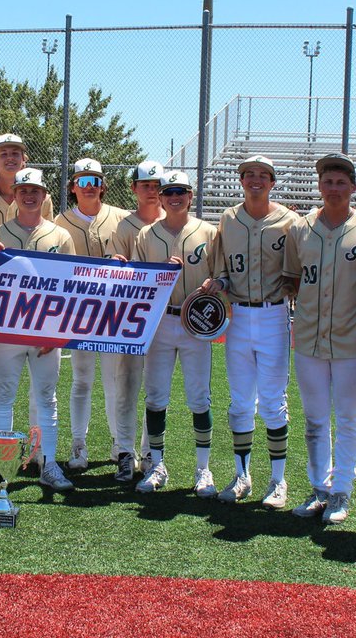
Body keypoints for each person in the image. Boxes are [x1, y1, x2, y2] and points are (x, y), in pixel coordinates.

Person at [283, 153, 356, 524]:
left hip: (351, 341)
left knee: (347, 418)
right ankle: (319, 489)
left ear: (353, 187)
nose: (333, 188)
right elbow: (294, 279)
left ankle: (342, 490)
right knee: (314, 419)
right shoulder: (300, 228)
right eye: (327, 181)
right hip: (309, 337)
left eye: (340, 182)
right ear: (319, 185)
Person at [202, 154, 298, 508]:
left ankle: (278, 480)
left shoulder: (290, 220)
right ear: (241, 180)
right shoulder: (229, 218)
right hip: (239, 315)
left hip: (274, 315)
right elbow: (223, 269)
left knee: (273, 402)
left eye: (263, 175)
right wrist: (218, 282)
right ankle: (242, 475)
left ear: (273, 182)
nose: (256, 180)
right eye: (249, 175)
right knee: (241, 402)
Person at [0, 167, 75, 492]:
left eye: (35, 190)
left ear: (44, 195)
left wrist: (58, 331)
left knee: (46, 398)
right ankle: (1, 466)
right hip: (8, 328)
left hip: (45, 332)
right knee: (3, 397)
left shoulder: (60, 235)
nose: (29, 195)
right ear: (14, 194)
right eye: (23, 189)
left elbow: (70, 287)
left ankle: (48, 464)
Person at [133, 171, 220, 498]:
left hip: (196, 321)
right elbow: (137, 280)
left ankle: (203, 469)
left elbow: (221, 274)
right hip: (160, 322)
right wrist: (160, 274)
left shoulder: (209, 231)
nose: (174, 197)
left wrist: (216, 284)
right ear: (161, 195)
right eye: (168, 191)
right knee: (156, 397)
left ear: (190, 195)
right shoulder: (147, 234)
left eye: (180, 191)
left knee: (199, 398)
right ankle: (156, 466)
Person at [53, 158, 126, 472]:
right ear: (73, 187)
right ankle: (78, 445)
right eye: (83, 181)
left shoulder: (122, 219)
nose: (89, 186)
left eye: (95, 180)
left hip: (112, 312)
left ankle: (118, 443)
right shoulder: (59, 221)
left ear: (103, 186)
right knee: (81, 380)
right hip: (77, 312)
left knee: (113, 382)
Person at [106, 160, 166, 482]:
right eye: (146, 185)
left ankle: (150, 454)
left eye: (157, 184)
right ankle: (125, 453)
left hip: (163, 321)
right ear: (134, 188)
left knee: (156, 390)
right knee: (127, 385)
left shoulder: (173, 222)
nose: (152, 190)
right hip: (131, 317)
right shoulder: (125, 226)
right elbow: (117, 270)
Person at [0, 133, 54, 226]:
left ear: (24, 160)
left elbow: (49, 236)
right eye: (3, 154)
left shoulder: (43, 199)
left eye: (15, 153)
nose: (10, 157)